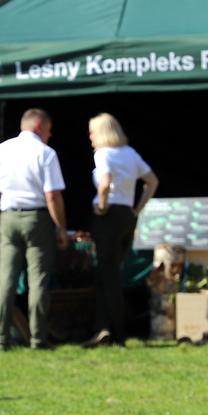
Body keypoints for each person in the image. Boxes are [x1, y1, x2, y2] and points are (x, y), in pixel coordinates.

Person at [0, 109, 68, 350]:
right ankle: (38, 339)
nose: (49, 135)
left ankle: (0, 338)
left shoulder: (2, 149)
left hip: (8, 217)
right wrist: (61, 228)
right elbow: (53, 195)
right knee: (38, 282)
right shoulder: (46, 153)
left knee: (6, 282)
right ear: (39, 126)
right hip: (37, 218)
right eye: (48, 130)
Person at [85, 113, 158, 347]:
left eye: (93, 131)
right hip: (127, 215)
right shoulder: (130, 153)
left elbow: (104, 182)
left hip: (109, 215)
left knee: (109, 275)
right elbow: (153, 182)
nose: (90, 136)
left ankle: (114, 333)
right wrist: (137, 209)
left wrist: (103, 206)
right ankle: (105, 328)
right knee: (111, 273)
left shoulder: (103, 154)